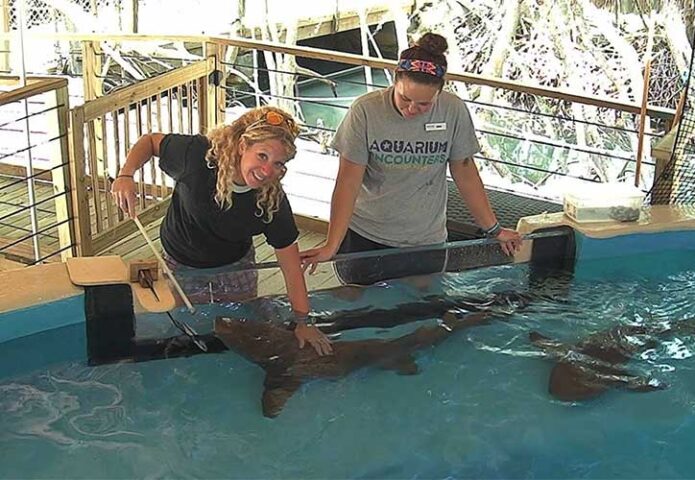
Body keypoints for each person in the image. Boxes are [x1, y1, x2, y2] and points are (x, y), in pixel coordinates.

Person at [300, 33, 522, 285]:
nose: (412, 109)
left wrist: (494, 229)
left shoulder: (453, 110)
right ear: (395, 80)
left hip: (426, 240)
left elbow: (465, 172)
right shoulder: (365, 110)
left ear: (440, 91)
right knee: (359, 312)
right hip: (366, 234)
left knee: (422, 317)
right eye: (404, 98)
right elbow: (347, 182)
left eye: (424, 104)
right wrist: (332, 243)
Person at [111, 105, 332, 356]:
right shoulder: (196, 156)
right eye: (262, 156)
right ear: (242, 146)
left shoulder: (272, 201)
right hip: (181, 261)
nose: (267, 170)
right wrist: (125, 174)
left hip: (235, 265)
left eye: (278, 163)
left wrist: (304, 323)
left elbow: (291, 267)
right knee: (185, 331)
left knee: (242, 330)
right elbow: (151, 142)